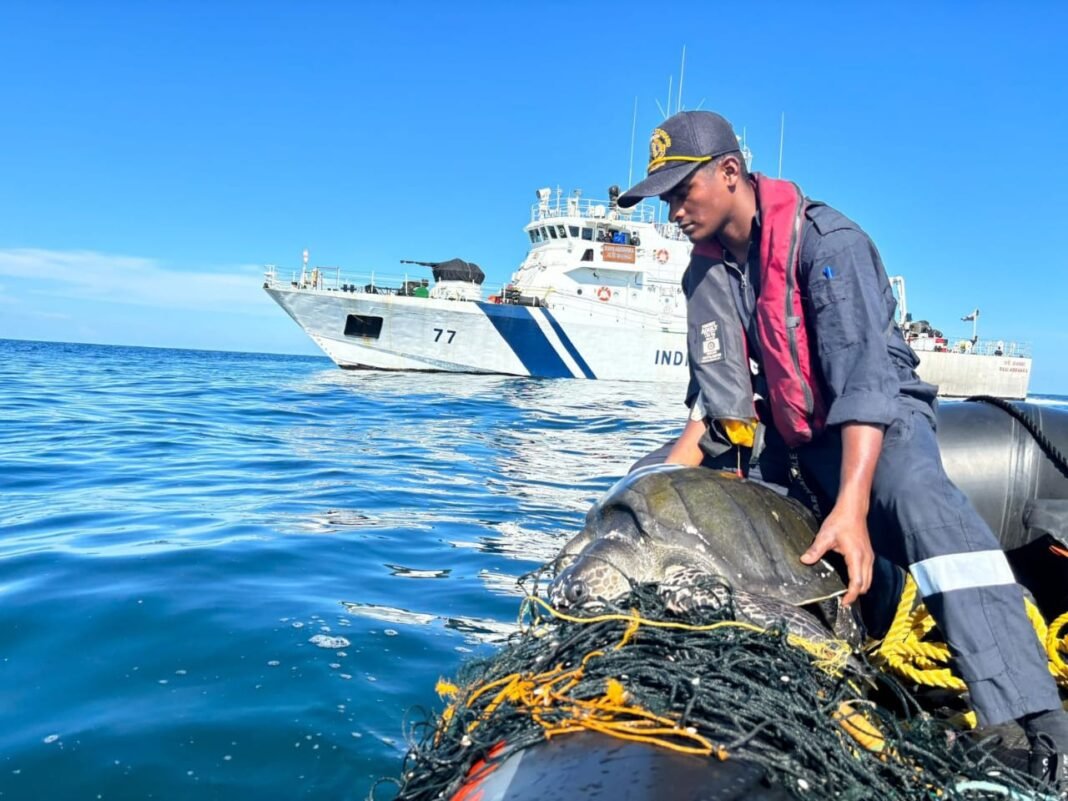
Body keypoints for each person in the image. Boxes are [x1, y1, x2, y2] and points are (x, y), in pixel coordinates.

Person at [618, 110, 1067, 785]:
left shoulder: (831, 244)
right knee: (654, 485)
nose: (674, 211)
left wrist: (853, 505)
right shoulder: (702, 277)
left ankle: (1030, 719)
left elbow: (865, 389)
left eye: (683, 191)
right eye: (666, 198)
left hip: (877, 421)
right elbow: (718, 415)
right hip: (786, 436)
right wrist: (637, 493)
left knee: (918, 500)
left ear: (731, 173)